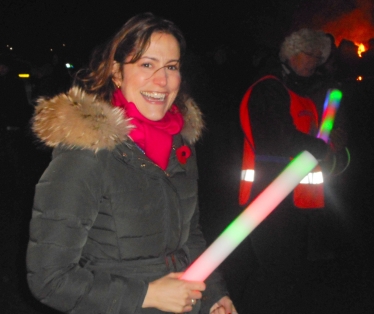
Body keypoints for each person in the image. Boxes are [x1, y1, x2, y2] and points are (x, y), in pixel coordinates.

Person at [26, 12, 236, 314]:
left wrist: (213, 293)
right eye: (146, 64)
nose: (162, 80)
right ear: (116, 72)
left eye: (172, 67)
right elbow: (49, 279)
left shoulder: (181, 145)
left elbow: (189, 237)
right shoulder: (86, 153)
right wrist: (146, 295)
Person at [234, 28, 335, 313]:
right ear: (290, 53)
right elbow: (279, 141)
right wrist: (321, 147)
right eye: (309, 54)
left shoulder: (297, 92)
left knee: (286, 276)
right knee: (274, 275)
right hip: (269, 197)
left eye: (319, 57)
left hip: (294, 202)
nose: (314, 61)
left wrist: (330, 142)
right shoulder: (269, 88)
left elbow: (309, 137)